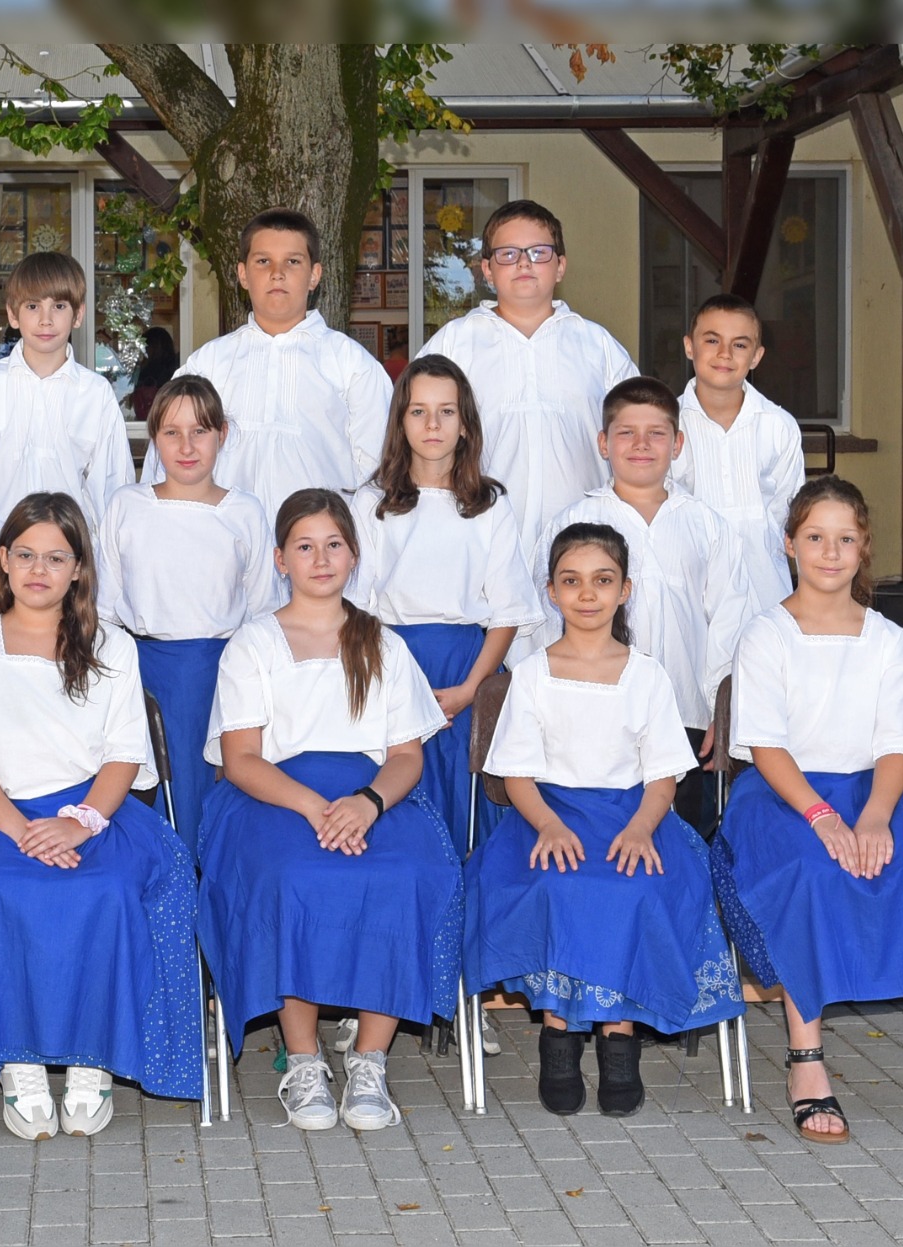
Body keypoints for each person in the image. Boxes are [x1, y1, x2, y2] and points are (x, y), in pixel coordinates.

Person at [714, 477, 903, 1146]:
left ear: (863, 548)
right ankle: (806, 1060)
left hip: (873, 791)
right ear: (790, 545)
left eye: (845, 539)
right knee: (813, 874)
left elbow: (897, 741)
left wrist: (876, 816)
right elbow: (766, 747)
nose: (830, 552)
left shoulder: (885, 638)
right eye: (815, 537)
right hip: (784, 797)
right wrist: (822, 818)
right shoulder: (766, 635)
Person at [0, 492, 203, 1140]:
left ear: (78, 568)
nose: (39, 570)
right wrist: (22, 831)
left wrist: (80, 821)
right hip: (4, 816)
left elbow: (123, 754)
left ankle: (91, 1060)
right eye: (26, 555)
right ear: (3, 559)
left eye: (56, 558)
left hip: (99, 812)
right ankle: (17, 1061)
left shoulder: (111, 646)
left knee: (105, 891)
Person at [197, 488, 461, 1133]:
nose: (320, 559)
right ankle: (304, 1058)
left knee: (404, 874)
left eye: (333, 545)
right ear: (280, 559)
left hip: (371, 794)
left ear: (354, 555)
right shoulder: (253, 644)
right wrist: (315, 808)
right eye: (305, 546)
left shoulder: (383, 643)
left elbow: (407, 756)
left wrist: (368, 803)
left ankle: (370, 1058)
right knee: (293, 876)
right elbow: (241, 758)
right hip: (276, 795)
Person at [471, 522, 743, 1117]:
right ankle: (559, 1035)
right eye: (571, 581)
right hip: (548, 813)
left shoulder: (647, 674)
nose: (587, 593)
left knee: (634, 887)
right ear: (551, 592)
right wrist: (547, 825)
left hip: (633, 813)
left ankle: (620, 1039)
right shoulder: (533, 674)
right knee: (555, 885)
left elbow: (663, 776)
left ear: (625, 589)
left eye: (602, 580)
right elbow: (517, 776)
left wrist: (643, 827)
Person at [534, 377, 759, 833]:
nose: (641, 445)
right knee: (597, 830)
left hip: (685, 713)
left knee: (683, 834)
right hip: (590, 711)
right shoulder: (573, 522)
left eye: (656, 433)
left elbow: (731, 622)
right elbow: (542, 623)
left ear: (677, 444)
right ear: (603, 443)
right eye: (626, 433)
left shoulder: (707, 525)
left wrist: (719, 708)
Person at [349, 353, 542, 853]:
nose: (432, 424)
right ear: (400, 422)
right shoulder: (372, 502)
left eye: (446, 411)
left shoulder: (490, 505)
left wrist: (471, 688)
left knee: (464, 799)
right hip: (391, 664)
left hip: (464, 670)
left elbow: (508, 611)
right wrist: (386, 680)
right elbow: (357, 606)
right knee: (401, 796)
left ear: (465, 424)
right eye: (418, 411)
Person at [96, 374, 281, 850]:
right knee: (148, 798)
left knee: (215, 796)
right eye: (172, 432)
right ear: (154, 437)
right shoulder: (126, 505)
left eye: (200, 431)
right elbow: (104, 610)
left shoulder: (245, 512)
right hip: (143, 676)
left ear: (222, 434)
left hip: (222, 675)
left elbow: (264, 612)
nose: (186, 446)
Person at [416, 199, 639, 549]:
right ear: (487, 270)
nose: (523, 263)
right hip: (478, 538)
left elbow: (637, 435)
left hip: (584, 544)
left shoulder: (598, 347)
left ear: (560, 266)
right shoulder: (454, 345)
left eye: (538, 252)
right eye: (507, 254)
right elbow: (412, 433)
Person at [150, 208, 392, 521]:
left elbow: (377, 475)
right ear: (242, 274)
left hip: (318, 545)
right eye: (263, 261)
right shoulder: (208, 364)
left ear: (314, 275)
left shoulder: (351, 364)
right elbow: (166, 462)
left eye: (293, 261)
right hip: (221, 540)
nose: (277, 273)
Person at [0, 251, 134, 531]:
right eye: (32, 306)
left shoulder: (95, 393)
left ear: (78, 315)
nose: (46, 320)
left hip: (70, 544)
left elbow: (111, 484)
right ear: (12, 314)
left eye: (59, 306)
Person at [673, 293, 805, 601]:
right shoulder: (664, 426)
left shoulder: (778, 426)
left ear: (756, 356)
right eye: (712, 340)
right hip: (688, 595)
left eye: (740, 345)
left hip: (765, 594)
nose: (725, 354)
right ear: (689, 347)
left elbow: (795, 521)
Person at [129, 325, 179, 421]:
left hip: (147, 421)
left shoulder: (147, 370)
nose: (144, 351)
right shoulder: (177, 367)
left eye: (145, 347)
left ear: (152, 347)